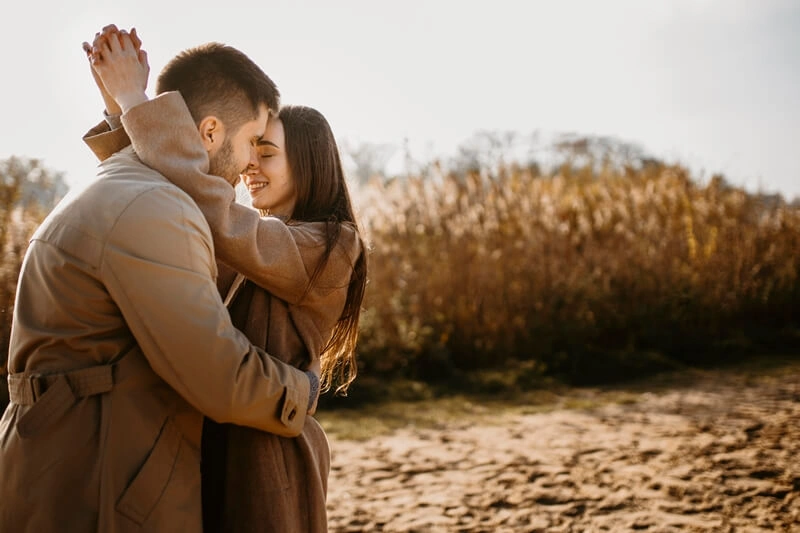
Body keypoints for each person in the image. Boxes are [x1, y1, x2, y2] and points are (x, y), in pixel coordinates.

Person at [0, 29, 322, 532]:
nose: (249, 164)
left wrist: (125, 111)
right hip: (102, 490)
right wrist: (301, 391)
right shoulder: (154, 207)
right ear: (210, 132)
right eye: (251, 142)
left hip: (71, 472)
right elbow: (216, 372)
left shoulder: (127, 185)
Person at [84, 28, 368, 532]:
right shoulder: (249, 237)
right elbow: (163, 202)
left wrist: (135, 102)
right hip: (204, 446)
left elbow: (209, 207)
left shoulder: (332, 245)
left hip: (266, 463)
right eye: (251, 147)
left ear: (308, 163)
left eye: (267, 152)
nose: (249, 164)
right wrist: (118, 110)